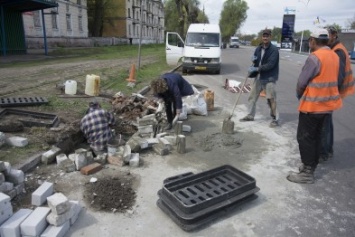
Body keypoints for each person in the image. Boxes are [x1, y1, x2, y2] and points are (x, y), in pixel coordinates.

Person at [287, 28, 343, 184]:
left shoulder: (315, 57)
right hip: (327, 106)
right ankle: (310, 166)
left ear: (312, 41)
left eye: (309, 40)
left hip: (312, 107)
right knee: (317, 138)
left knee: (305, 138)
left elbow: (302, 82)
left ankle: (307, 173)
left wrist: (300, 94)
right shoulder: (334, 55)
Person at [319, 26, 355, 162]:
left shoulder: (338, 51)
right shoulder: (335, 48)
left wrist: (330, 93)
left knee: (324, 123)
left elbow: (337, 77)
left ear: (333, 35)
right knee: (327, 123)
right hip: (333, 91)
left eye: (327, 35)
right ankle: (328, 150)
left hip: (332, 92)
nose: (325, 37)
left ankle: (324, 152)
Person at [239, 29, 280, 127]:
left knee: (271, 99)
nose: (265, 38)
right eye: (264, 36)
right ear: (262, 37)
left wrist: (257, 68)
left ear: (270, 37)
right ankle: (250, 115)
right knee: (252, 97)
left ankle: (275, 119)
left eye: (267, 36)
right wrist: (253, 61)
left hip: (269, 78)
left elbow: (270, 64)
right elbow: (255, 60)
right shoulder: (258, 48)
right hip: (259, 77)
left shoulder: (274, 50)